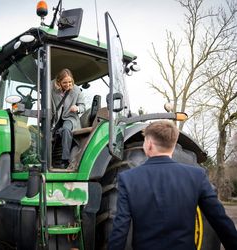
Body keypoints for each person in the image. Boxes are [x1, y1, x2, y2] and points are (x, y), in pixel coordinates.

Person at [108, 120, 237, 250]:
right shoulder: (197, 176)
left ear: (149, 144)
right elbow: (220, 220)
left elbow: (120, 230)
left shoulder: (128, 178)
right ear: (174, 144)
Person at [51, 68, 85, 168]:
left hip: (70, 118)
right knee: (48, 133)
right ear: (59, 82)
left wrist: (77, 108)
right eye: (65, 82)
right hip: (56, 118)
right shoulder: (52, 89)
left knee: (65, 129)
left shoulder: (77, 90)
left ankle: (65, 160)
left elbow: (83, 106)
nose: (68, 85)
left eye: (70, 82)